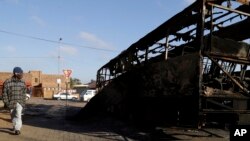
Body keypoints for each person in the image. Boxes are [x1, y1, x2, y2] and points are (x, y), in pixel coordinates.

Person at [2, 67, 26, 135]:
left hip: (20, 102)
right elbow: (4, 94)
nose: (22, 74)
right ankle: (15, 126)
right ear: (16, 73)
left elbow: (24, 93)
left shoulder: (23, 82)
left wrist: (23, 102)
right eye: (21, 73)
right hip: (11, 103)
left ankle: (17, 129)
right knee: (13, 116)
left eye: (22, 73)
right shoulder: (7, 82)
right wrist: (7, 103)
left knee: (18, 115)